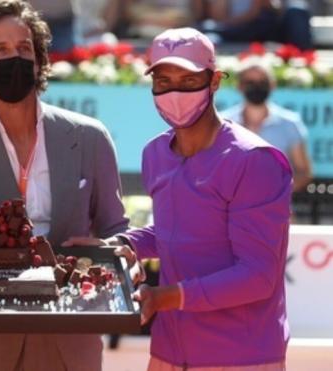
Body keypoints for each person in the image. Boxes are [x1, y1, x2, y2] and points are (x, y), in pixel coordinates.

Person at [0, 1, 129, 370]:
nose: (14, 58)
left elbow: (116, 229)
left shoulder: (90, 137)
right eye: (0, 50)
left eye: (24, 48)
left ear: (39, 60)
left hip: (69, 341)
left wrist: (113, 249)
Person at [71, 27, 292, 370]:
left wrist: (165, 297)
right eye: (163, 80)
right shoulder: (155, 153)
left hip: (240, 356)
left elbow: (257, 276)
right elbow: (182, 234)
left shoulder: (255, 160)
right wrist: (115, 243)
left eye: (188, 80)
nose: (174, 92)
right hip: (169, 351)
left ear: (215, 81)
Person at [222, 58, 312, 192]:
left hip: (275, 209)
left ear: (272, 85)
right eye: (250, 82)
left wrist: (273, 194)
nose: (257, 86)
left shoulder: (290, 123)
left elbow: (303, 172)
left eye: (262, 82)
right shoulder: (223, 123)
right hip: (230, 206)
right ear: (239, 86)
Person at [196, 0, 313, 50]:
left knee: (297, 12)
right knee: (209, 33)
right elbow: (219, 18)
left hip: (261, 29)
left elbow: (277, 11)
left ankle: (304, 58)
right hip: (234, 30)